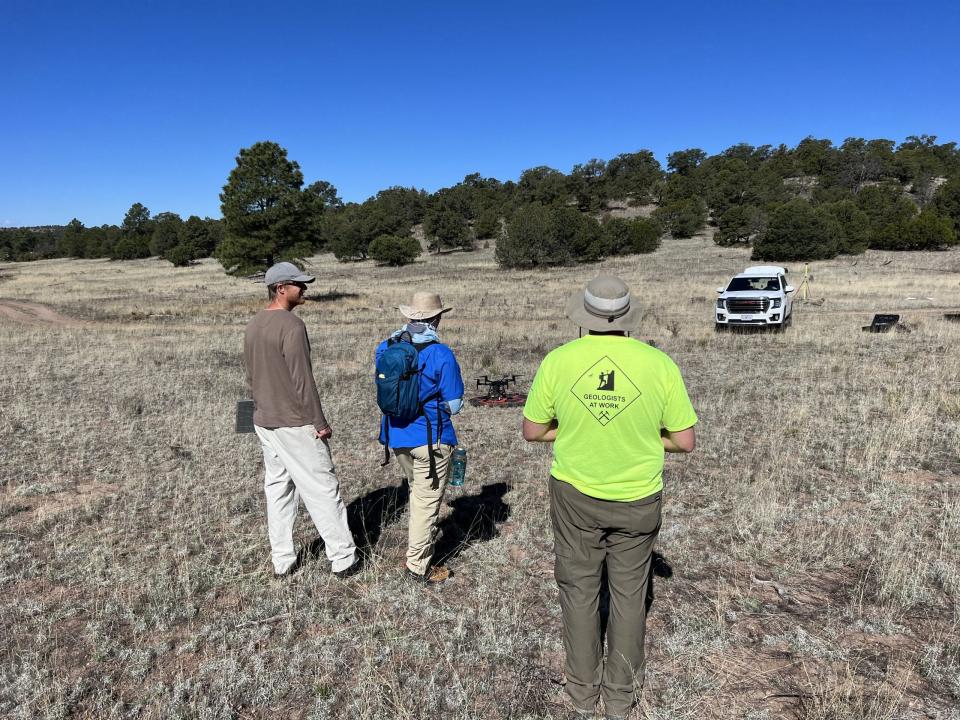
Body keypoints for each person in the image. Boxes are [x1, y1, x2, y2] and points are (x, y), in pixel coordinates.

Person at [522, 275, 697, 719]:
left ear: (584, 316)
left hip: (574, 494)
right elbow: (685, 440)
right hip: (639, 497)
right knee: (630, 594)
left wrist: (576, 430)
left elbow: (533, 431)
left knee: (579, 592)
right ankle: (620, 697)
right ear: (627, 316)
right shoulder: (659, 364)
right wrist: (641, 437)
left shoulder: (559, 361)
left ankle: (582, 693)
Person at [243, 261, 359, 579]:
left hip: (264, 421)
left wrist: (250, 419)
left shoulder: (253, 324)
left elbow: (251, 377)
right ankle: (343, 558)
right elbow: (302, 381)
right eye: (299, 284)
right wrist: (319, 423)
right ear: (281, 289)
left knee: (278, 489)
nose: (304, 289)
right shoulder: (292, 326)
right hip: (295, 423)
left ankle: (282, 561)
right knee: (323, 488)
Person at [376, 291, 465, 585]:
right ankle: (418, 565)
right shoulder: (441, 353)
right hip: (431, 437)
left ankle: (418, 545)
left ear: (408, 316)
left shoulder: (385, 347)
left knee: (418, 492)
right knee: (427, 502)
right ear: (437, 318)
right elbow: (455, 404)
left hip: (397, 435)